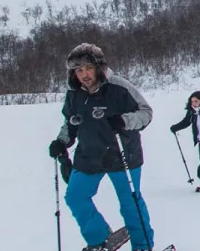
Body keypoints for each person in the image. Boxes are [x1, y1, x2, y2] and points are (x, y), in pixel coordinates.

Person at [46, 43, 157, 251]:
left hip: (122, 154)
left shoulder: (119, 87)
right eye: (79, 70)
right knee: (75, 197)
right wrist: (61, 142)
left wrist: (124, 121)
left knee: (130, 203)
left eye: (88, 68)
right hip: (89, 155)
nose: (84, 74)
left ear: (98, 67)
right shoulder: (74, 94)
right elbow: (71, 122)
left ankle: (142, 246)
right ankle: (99, 240)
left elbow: (146, 113)